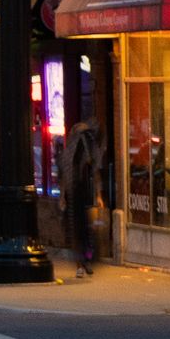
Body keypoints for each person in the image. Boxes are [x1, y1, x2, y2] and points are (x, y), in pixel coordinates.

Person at [61, 119, 106, 277]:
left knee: (86, 229)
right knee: (76, 230)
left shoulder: (86, 149)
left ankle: (85, 261)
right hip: (74, 194)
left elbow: (95, 171)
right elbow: (65, 175)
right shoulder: (72, 151)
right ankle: (80, 264)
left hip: (83, 193)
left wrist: (98, 194)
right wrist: (63, 196)